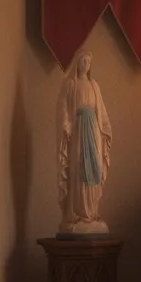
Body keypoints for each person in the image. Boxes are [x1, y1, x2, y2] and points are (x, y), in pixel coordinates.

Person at [56, 51, 113, 235]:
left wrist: (105, 128)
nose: (86, 64)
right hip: (79, 129)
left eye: (89, 61)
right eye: (83, 60)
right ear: (78, 63)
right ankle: (79, 212)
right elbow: (64, 106)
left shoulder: (94, 85)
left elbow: (101, 110)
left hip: (93, 130)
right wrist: (66, 123)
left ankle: (92, 211)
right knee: (79, 168)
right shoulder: (71, 84)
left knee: (94, 166)